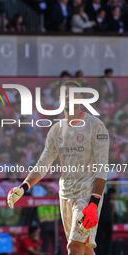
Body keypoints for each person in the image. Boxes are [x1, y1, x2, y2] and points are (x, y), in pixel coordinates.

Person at [7, 80, 110, 255]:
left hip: (87, 193)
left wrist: (94, 202)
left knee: (73, 246)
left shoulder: (96, 126)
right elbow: (43, 164)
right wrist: (23, 186)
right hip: (66, 193)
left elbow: (102, 168)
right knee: (84, 248)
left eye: (73, 95)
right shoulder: (56, 130)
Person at [95, 187, 116, 255]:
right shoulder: (110, 200)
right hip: (107, 222)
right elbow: (113, 207)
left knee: (98, 240)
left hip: (99, 222)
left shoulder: (98, 197)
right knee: (107, 240)